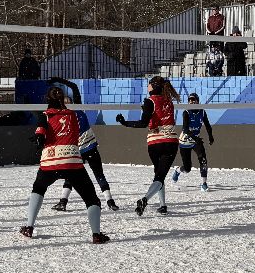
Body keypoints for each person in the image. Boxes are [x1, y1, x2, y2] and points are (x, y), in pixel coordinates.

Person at [22, 85, 110, 243]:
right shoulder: (74, 115)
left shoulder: (45, 115)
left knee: (38, 188)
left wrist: (39, 139)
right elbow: (75, 132)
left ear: (47, 99)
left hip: (50, 161)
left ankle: (29, 227)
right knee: (91, 199)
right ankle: (96, 234)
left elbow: (41, 131)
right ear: (63, 99)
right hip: (71, 160)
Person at [46, 76, 119, 213]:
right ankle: (110, 202)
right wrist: (59, 81)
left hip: (78, 150)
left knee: (73, 176)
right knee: (97, 174)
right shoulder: (74, 109)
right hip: (87, 147)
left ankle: (63, 202)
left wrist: (57, 82)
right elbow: (73, 87)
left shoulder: (64, 113)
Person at [116, 75, 180, 216]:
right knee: (160, 176)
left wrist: (125, 123)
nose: (147, 86)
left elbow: (143, 123)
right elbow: (161, 114)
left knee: (158, 174)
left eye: (149, 83)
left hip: (155, 142)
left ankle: (158, 203)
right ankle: (154, 202)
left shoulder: (149, 101)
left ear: (153, 86)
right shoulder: (169, 101)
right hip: (170, 141)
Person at [172, 92, 215, 190]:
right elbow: (185, 129)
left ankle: (204, 183)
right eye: (189, 100)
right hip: (185, 142)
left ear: (197, 101)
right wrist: (196, 138)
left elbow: (207, 125)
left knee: (203, 160)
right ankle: (178, 170)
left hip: (196, 141)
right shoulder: (186, 112)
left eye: (193, 99)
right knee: (187, 169)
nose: (191, 101)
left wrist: (211, 136)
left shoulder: (202, 112)